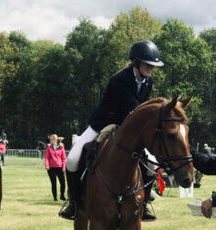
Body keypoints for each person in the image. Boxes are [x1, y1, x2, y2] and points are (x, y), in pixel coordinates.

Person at [60, 40, 164, 220]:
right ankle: (74, 203)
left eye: (153, 65)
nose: (151, 68)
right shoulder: (120, 80)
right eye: (148, 64)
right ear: (136, 62)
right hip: (102, 124)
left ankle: (145, 203)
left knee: (153, 163)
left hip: (128, 129)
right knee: (72, 158)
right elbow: (135, 109)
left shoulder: (149, 82)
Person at [45, 134, 67, 201]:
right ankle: (55, 197)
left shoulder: (61, 148)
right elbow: (46, 158)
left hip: (60, 168)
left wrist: (63, 167)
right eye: (50, 139)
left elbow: (64, 158)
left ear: (55, 140)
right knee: (53, 183)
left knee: (63, 183)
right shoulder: (49, 148)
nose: (50, 140)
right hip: (51, 168)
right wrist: (47, 165)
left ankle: (62, 196)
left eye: (51, 139)